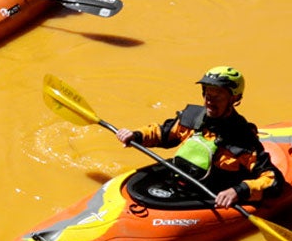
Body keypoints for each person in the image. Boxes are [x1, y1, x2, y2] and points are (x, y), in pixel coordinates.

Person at [115, 66, 281, 212]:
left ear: (234, 99)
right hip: (180, 181)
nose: (209, 100)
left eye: (218, 95)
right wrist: (135, 135)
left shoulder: (243, 140)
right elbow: (163, 133)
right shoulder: (192, 118)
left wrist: (238, 191)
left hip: (209, 194)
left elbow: (273, 181)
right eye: (208, 93)